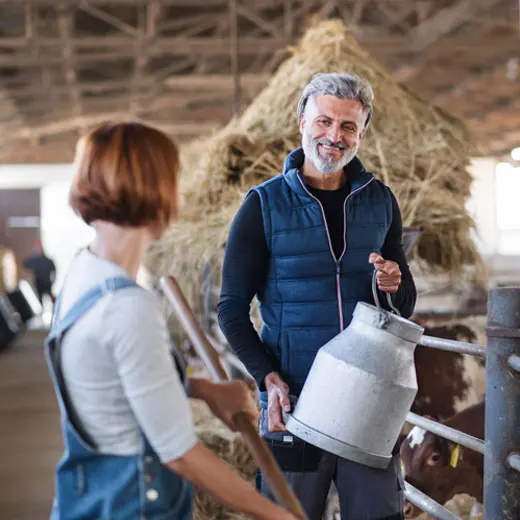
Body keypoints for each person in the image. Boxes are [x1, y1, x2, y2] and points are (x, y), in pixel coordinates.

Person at [45, 122, 298, 520]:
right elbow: (182, 455)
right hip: (134, 504)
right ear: (157, 188)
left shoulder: (83, 273)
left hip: (89, 496)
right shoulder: (127, 307)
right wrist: (276, 514)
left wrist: (202, 390)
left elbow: (111, 382)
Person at [218, 73, 417, 520]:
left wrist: (393, 283)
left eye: (348, 126)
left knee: (378, 514)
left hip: (369, 401)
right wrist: (267, 378)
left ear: (362, 133)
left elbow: (403, 303)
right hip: (295, 399)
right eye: (324, 121)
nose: (334, 136)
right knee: (288, 514)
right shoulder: (262, 206)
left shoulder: (380, 201)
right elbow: (231, 309)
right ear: (302, 121)